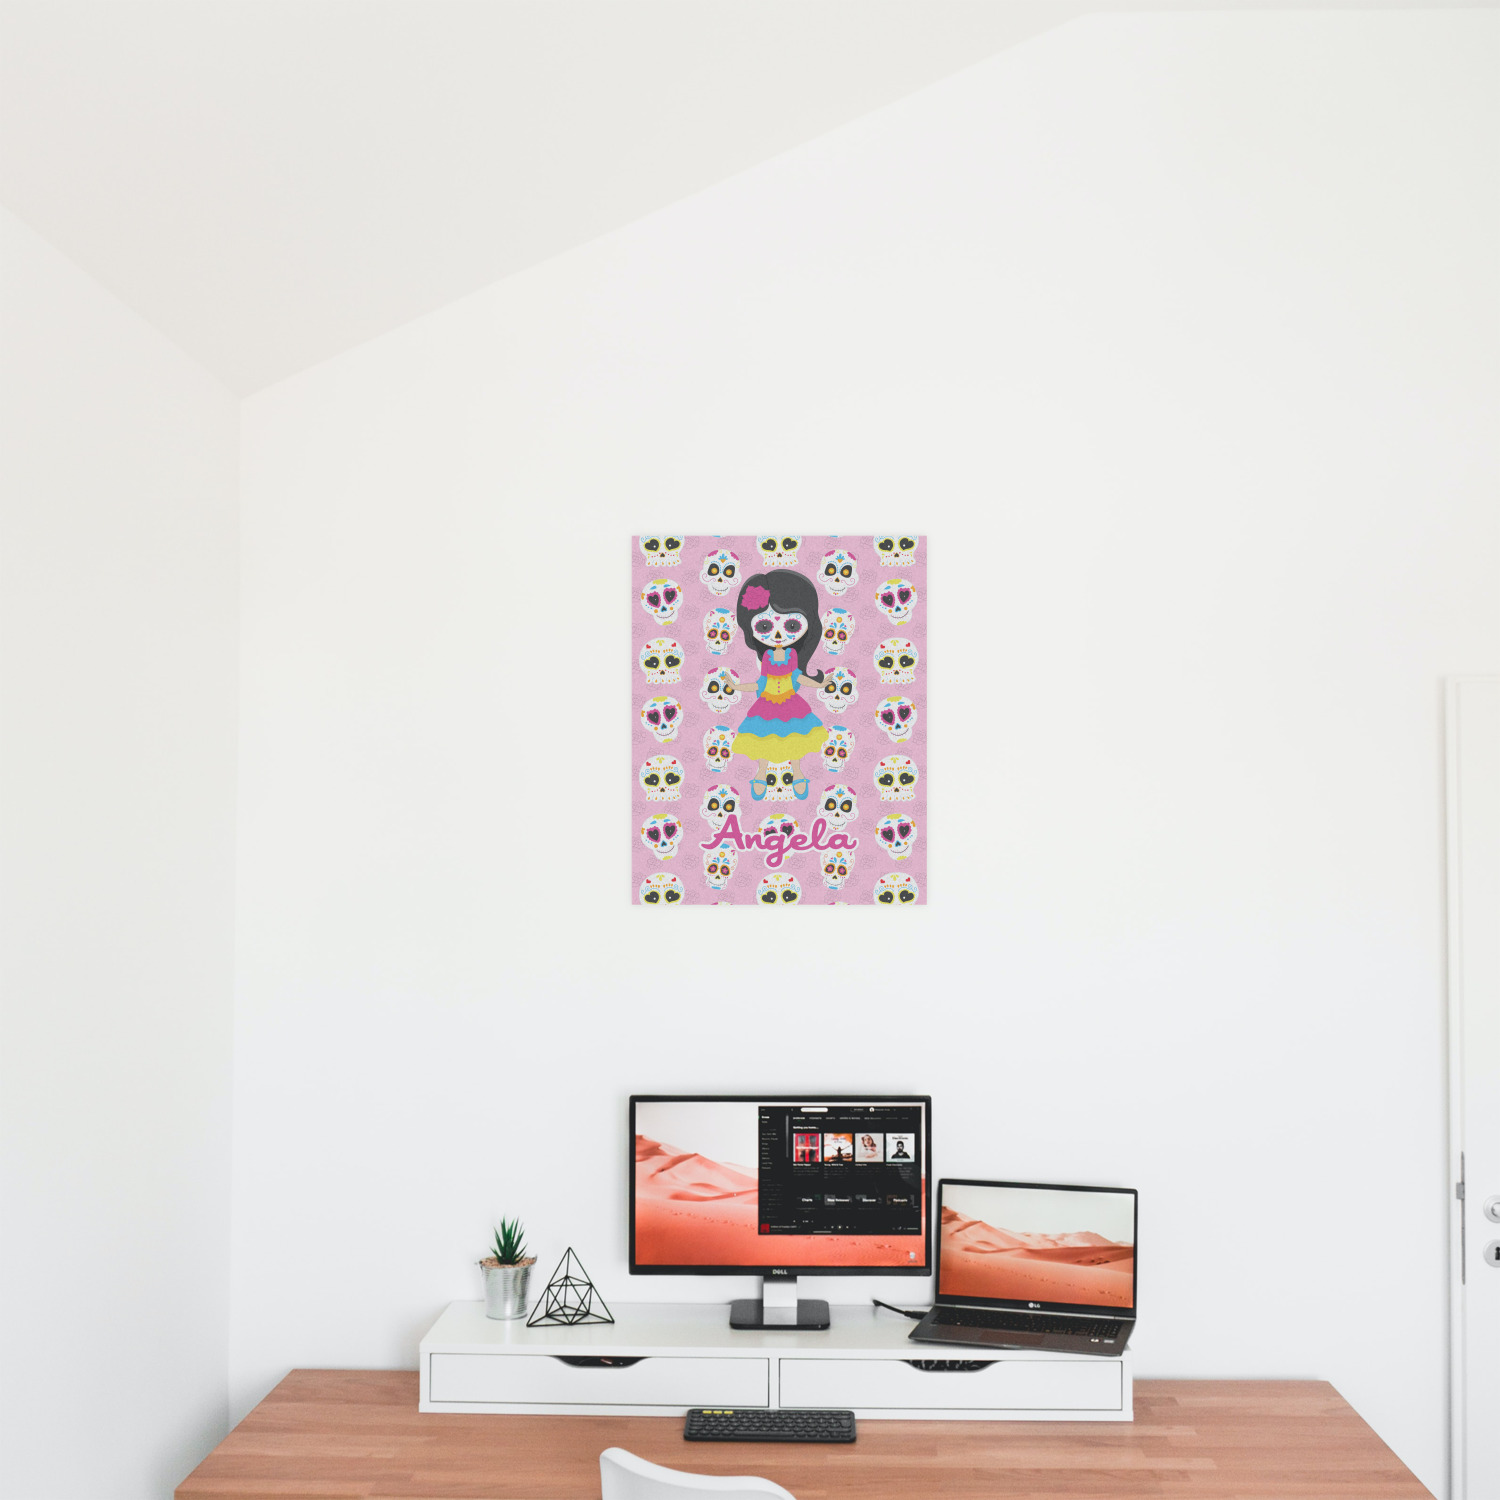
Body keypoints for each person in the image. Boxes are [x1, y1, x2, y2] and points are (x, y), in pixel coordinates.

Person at [725, 571, 830, 801]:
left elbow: (797, 678)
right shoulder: (767, 659)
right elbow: (759, 684)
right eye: (764, 626)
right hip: (766, 706)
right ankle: (761, 773)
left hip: (792, 706)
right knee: (764, 740)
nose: (779, 634)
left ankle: (797, 773)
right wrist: (736, 686)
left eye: (792, 624)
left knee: (794, 739)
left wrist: (819, 684)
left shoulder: (792, 657)